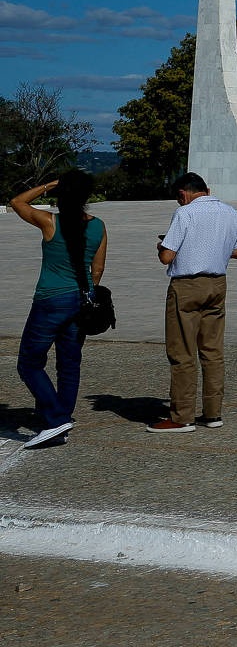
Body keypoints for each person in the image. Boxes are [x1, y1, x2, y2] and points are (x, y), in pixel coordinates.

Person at [10, 171, 104, 450]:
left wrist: (48, 186)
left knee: (29, 362)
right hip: (81, 299)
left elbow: (16, 202)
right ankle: (62, 416)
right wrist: (88, 292)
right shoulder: (99, 226)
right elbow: (97, 269)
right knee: (69, 363)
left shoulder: (50, 222)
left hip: (51, 299)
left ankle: (54, 418)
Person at [150, 171, 237, 434]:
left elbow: (167, 257)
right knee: (212, 351)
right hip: (217, 284)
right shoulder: (231, 212)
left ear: (183, 194)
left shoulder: (185, 213)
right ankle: (213, 413)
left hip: (187, 286)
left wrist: (162, 246)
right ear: (207, 190)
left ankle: (182, 416)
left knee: (182, 353)